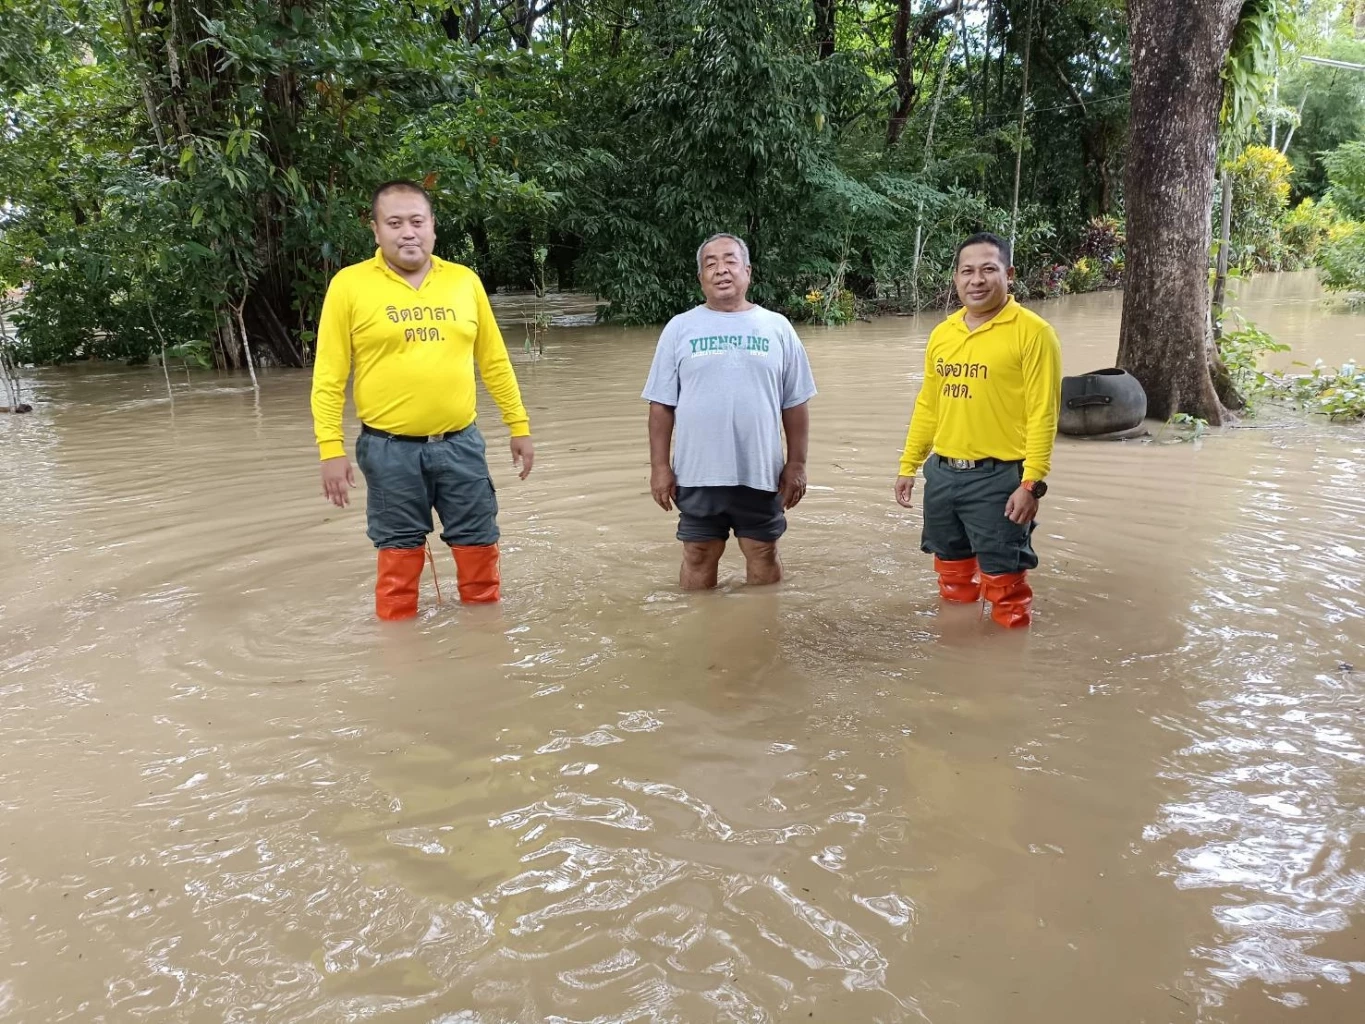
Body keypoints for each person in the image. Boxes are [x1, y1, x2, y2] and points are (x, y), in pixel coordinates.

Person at [310, 180, 534, 620]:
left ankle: (485, 640)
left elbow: (494, 361)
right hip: (388, 450)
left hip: (461, 445)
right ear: (376, 230)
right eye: (395, 223)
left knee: (479, 544)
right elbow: (329, 376)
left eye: (417, 221)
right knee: (398, 552)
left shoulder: (464, 282)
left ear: (433, 227)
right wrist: (329, 449)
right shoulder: (349, 286)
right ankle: (401, 655)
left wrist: (519, 426)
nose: (407, 232)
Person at [893, 232, 1061, 628]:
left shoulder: (1033, 333)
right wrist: (909, 465)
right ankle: (955, 650)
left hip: (999, 478)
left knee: (1005, 582)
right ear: (955, 278)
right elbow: (929, 405)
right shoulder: (943, 334)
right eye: (967, 271)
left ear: (1009, 274)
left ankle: (1005, 669)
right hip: (943, 474)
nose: (977, 280)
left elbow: (1043, 414)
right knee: (951, 573)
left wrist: (1031, 483)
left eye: (989, 269)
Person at [643, 233, 817, 590]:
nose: (721, 270)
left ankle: (763, 630)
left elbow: (795, 403)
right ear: (700, 278)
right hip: (697, 470)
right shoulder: (679, 328)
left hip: (761, 468)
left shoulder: (777, 327)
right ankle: (698, 633)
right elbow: (661, 405)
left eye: (730, 261)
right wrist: (660, 467)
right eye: (711, 264)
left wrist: (796, 464)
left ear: (748, 271)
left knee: (763, 550)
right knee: (698, 552)